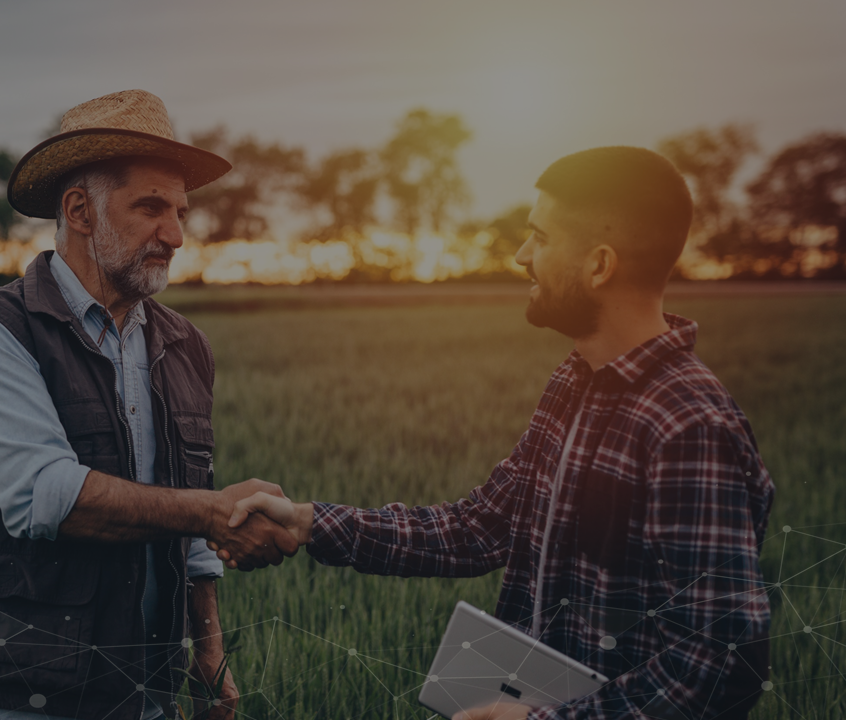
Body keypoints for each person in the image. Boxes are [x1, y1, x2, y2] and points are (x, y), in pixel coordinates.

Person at [222, 147, 775, 720]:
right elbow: (482, 526)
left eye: (540, 235)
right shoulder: (575, 382)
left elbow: (723, 664)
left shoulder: (688, 423)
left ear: (599, 265)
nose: (521, 255)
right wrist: (310, 521)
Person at [0, 89, 297, 720]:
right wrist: (212, 511)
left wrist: (208, 649)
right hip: (11, 700)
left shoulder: (184, 345)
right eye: (151, 207)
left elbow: (188, 511)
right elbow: (45, 496)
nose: (175, 234)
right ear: (80, 211)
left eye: (181, 211)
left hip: (142, 695)